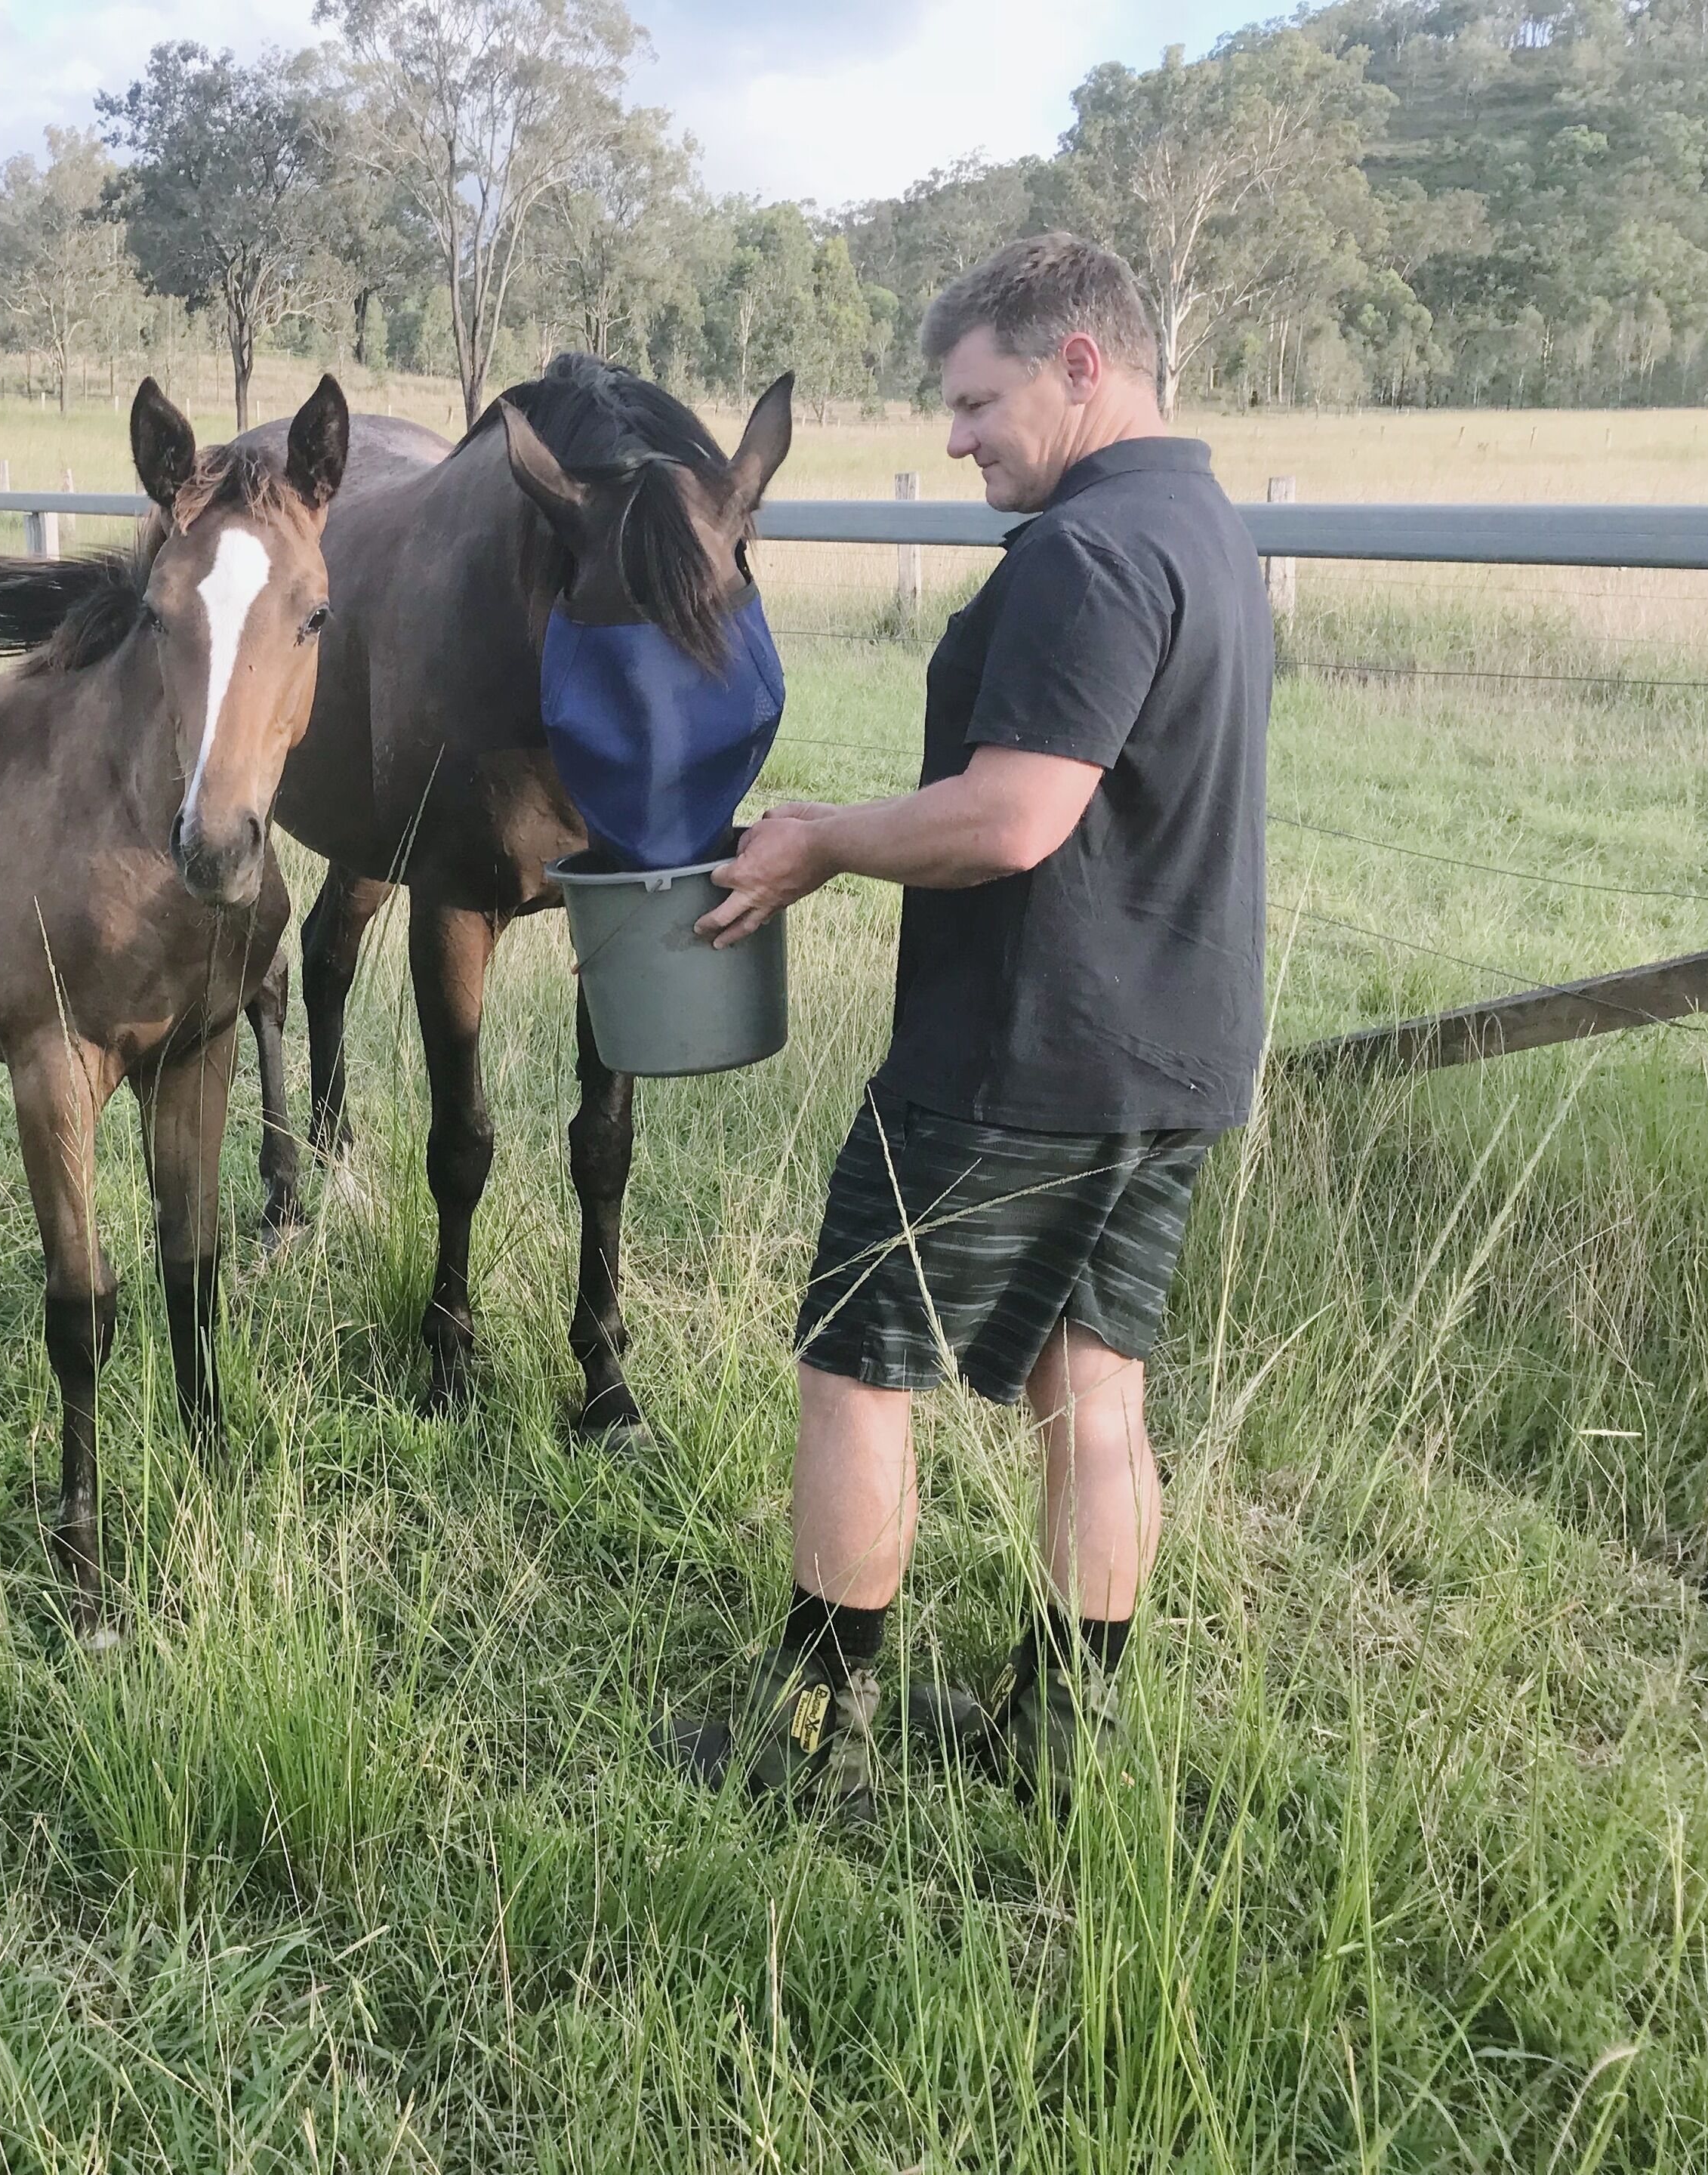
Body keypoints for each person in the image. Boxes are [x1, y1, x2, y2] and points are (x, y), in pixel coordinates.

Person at [665, 233, 1273, 1813]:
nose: (956, 436)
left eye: (976, 399)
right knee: (1097, 1389)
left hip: (1022, 1057)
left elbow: (1015, 819)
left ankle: (815, 1746)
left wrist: (819, 843)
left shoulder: (1081, 555)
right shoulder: (1200, 522)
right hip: (1175, 1052)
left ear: (1082, 364)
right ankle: (1057, 1740)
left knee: (856, 1366)